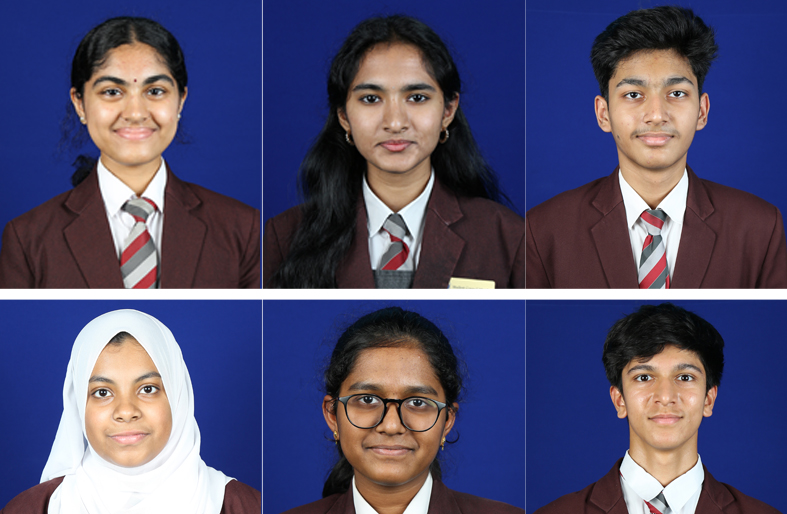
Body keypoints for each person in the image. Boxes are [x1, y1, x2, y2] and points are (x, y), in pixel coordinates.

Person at [526, 303, 787, 514]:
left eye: (685, 377)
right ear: (619, 400)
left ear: (708, 400)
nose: (665, 396)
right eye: (644, 377)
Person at [525, 6, 787, 288]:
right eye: (633, 94)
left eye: (676, 93)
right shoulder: (543, 229)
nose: (656, 114)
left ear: (702, 111)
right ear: (604, 114)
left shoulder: (759, 227)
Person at [263, 307, 525, 514]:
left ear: (447, 420)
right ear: (332, 414)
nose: (391, 426)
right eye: (366, 400)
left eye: (417, 403)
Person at [0, 309, 261, 514]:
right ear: (78, 404)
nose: (125, 411)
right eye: (102, 392)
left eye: (147, 389)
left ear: (177, 396)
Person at [263, 15, 526, 289]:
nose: (395, 123)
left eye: (417, 98)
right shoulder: (285, 235)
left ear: (448, 111)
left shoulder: (507, 236)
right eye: (371, 99)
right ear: (343, 115)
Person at [0, 16, 260, 289]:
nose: (135, 113)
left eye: (155, 91)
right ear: (79, 104)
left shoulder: (242, 228)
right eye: (112, 91)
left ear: (181, 100)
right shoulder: (27, 239)